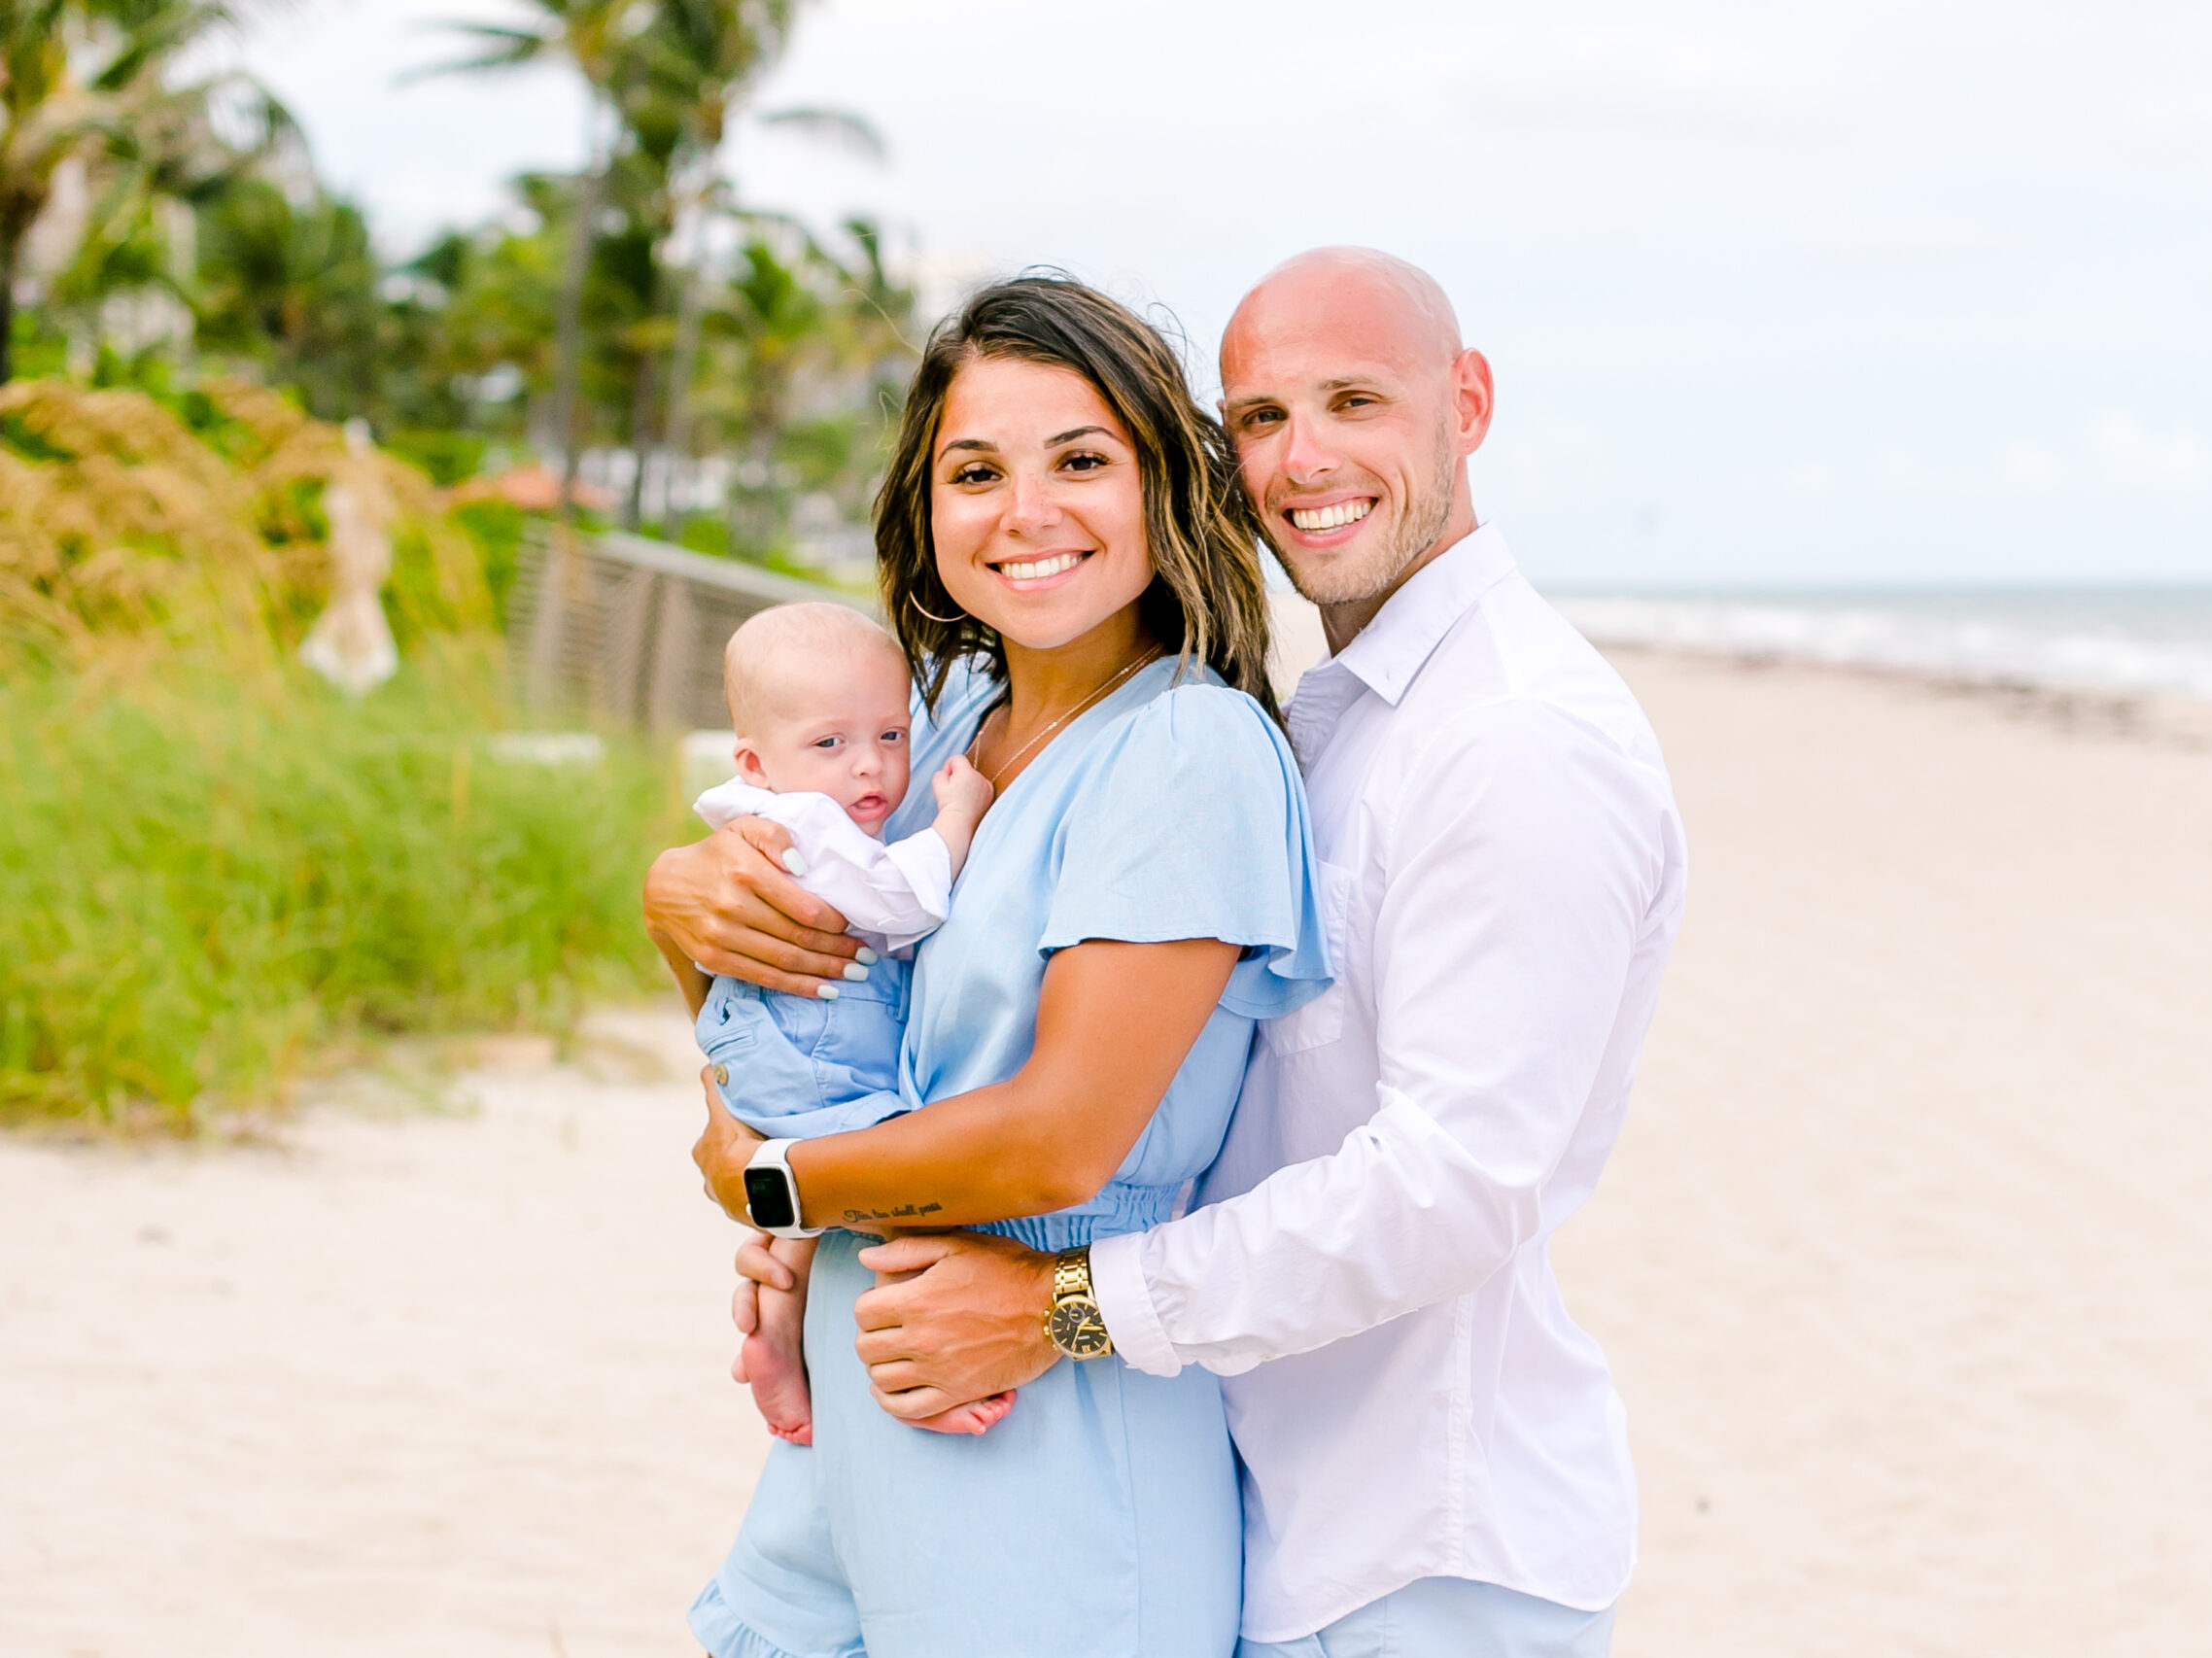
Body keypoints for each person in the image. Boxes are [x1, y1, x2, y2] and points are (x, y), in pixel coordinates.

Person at [812, 249, 1690, 1658]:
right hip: (1261, 1508)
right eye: (1263, 417)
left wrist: (1065, 1307)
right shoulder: (1331, 718)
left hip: (1428, 1549)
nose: (1304, 458)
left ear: (1466, 403)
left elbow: (1453, 1183)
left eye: (1356, 400)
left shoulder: (1514, 740)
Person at [643, 275, 1329, 1658]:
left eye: (1081, 460)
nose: (1027, 510)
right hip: (861, 1390)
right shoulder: (936, 716)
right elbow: (808, 988)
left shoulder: (1186, 752)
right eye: (977, 470)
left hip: (1039, 1414)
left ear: (1163, 487)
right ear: (926, 503)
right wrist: (682, 915)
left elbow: (1060, 1142)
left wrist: (765, 1180)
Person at [687, 600, 1002, 1445]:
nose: (869, 768)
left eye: (891, 737)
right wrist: (957, 819)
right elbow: (898, 901)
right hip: (813, 1041)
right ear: (756, 761)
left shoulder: (776, 804)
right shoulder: (805, 823)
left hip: (775, 1038)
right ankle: (922, 1366)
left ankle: (777, 1326)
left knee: (805, 1208)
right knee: (900, 1185)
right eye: (831, 744)